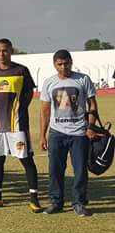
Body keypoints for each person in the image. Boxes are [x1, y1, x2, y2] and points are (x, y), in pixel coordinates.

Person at [0, 38, 43, 212]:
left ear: (11, 51)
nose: (2, 54)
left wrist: (20, 110)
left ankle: (34, 199)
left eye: (5, 50)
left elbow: (29, 94)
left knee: (26, 160)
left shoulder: (21, 71)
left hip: (17, 126)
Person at [39, 49, 102, 217]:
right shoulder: (49, 83)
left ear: (71, 62)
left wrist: (90, 127)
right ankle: (56, 202)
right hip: (56, 133)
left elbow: (92, 106)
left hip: (79, 133)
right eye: (59, 64)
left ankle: (79, 203)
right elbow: (45, 110)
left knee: (80, 170)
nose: (63, 67)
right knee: (55, 170)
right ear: (54, 65)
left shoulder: (83, 79)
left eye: (66, 63)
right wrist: (42, 135)